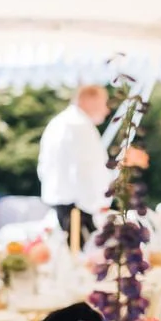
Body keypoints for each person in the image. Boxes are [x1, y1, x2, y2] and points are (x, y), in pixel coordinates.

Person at [37, 85, 111, 239]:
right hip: (79, 206)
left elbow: (43, 167)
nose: (107, 110)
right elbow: (86, 169)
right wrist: (100, 202)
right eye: (104, 103)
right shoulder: (79, 126)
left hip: (61, 201)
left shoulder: (58, 122)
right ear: (88, 101)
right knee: (84, 251)